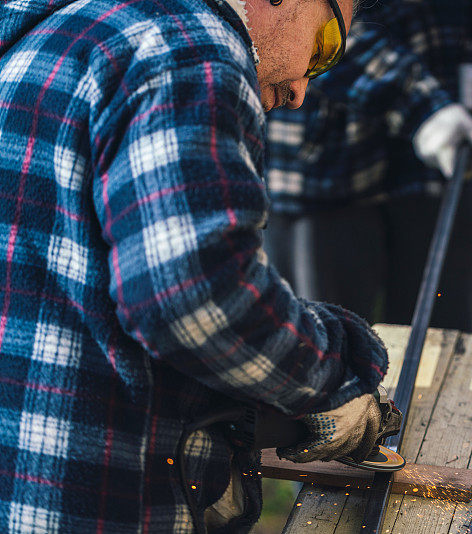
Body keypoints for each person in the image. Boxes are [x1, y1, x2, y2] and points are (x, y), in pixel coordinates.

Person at [0, 0, 389, 530]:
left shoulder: (53, 34)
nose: (301, 88)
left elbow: (76, 297)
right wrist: (333, 377)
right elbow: (193, 298)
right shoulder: (188, 50)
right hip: (90, 508)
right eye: (323, 47)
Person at [264, 0, 472, 331]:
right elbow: (296, 20)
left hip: (447, 122)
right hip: (324, 148)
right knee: (318, 335)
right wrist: (416, 100)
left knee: (440, 333)